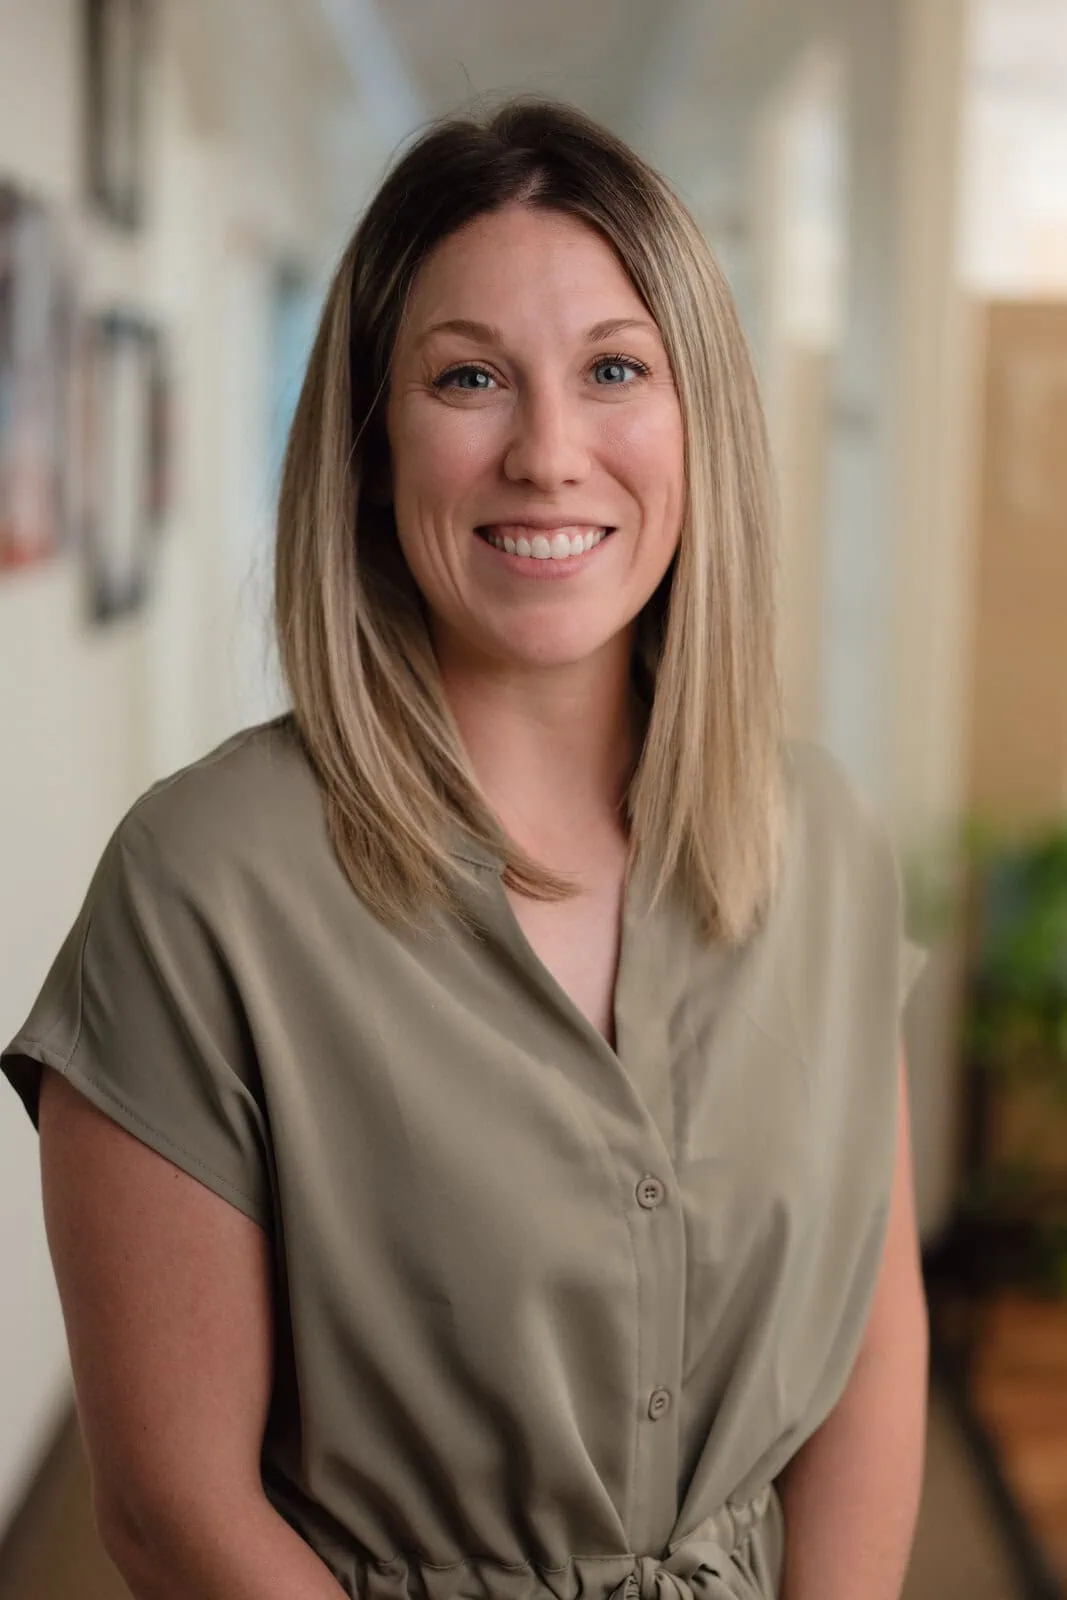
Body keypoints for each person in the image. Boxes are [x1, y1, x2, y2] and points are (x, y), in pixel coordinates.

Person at [1, 99, 928, 1600]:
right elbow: (173, 1513)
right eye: (470, 378)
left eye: (615, 370)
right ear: (371, 444)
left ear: (701, 426)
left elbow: (875, 1355)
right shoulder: (202, 887)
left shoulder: (822, 842)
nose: (548, 453)